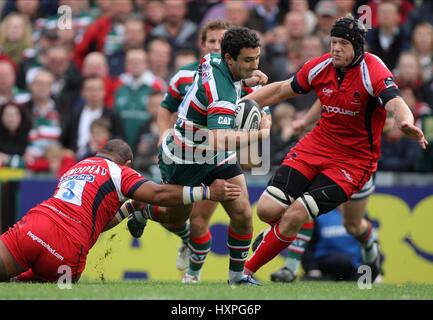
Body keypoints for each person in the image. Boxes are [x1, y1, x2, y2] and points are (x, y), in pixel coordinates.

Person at [241, 15, 428, 281]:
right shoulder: (321, 66)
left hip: (354, 161)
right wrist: (244, 104)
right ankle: (278, 237)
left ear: (357, 47)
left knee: (351, 224)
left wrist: (406, 122)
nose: (335, 48)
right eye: (333, 42)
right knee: (267, 210)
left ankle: (366, 244)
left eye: (342, 43)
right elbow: (283, 89)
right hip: (317, 146)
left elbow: (395, 103)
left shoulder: (373, 69)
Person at [127, 26, 272, 285]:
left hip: (216, 156)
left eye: (257, 58)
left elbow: (218, 140)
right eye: (248, 60)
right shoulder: (221, 95)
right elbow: (218, 138)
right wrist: (259, 135)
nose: (255, 64)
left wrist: (246, 78)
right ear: (230, 58)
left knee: (242, 213)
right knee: (176, 218)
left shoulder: (211, 59)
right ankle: (144, 210)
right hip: (187, 156)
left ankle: (237, 277)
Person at [0, 139, 240, 282]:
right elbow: (158, 195)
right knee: (58, 288)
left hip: (34, 224)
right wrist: (207, 193)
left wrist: (129, 209)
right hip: (66, 249)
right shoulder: (119, 172)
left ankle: (16, 277)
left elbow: (95, 223)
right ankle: (23, 278)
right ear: (127, 164)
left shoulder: (77, 166)